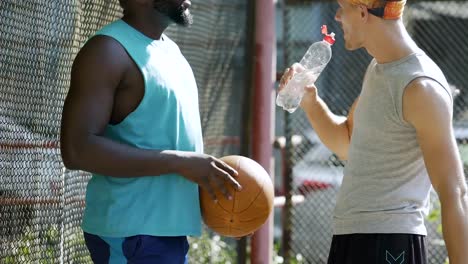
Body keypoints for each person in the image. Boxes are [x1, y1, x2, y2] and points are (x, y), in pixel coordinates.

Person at [279, 0, 468, 263]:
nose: (336, 16)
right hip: (351, 235)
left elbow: (454, 192)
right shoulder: (379, 68)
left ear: (362, 12)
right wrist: (310, 101)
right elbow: (347, 142)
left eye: (341, 8)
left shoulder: (421, 86)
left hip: (391, 242)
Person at [60, 0, 242, 263]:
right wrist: (178, 162)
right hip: (130, 235)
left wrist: (222, 202)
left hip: (165, 235)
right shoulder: (106, 51)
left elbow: (171, 148)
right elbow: (77, 150)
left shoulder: (172, 51)